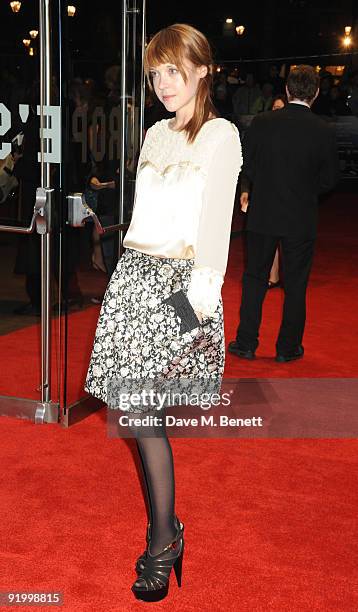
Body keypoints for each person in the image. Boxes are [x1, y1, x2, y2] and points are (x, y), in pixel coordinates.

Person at [84, 23, 242, 601]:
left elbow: (216, 233)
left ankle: (163, 541)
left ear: (203, 69)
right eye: (155, 73)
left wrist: (190, 311)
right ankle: (167, 530)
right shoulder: (153, 134)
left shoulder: (221, 137)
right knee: (134, 416)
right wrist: (120, 275)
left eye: (174, 70)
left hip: (180, 290)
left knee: (145, 420)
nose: (162, 83)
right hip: (133, 282)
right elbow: (147, 216)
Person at [228, 65, 339, 363]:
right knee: (296, 284)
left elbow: (247, 165)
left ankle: (246, 342)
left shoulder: (262, 123)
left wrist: (263, 187)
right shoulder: (324, 130)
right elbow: (330, 180)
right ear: (315, 93)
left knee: (254, 279)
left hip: (263, 213)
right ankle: (287, 348)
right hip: (300, 217)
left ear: (287, 90)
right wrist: (303, 192)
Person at [240, 94, 287, 289]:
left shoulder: (294, 136)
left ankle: (279, 275)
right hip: (263, 193)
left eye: (281, 108)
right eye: (274, 108)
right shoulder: (261, 131)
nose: (277, 111)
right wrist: (245, 190)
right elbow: (248, 162)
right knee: (265, 236)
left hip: (285, 195)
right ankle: (272, 276)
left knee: (282, 237)